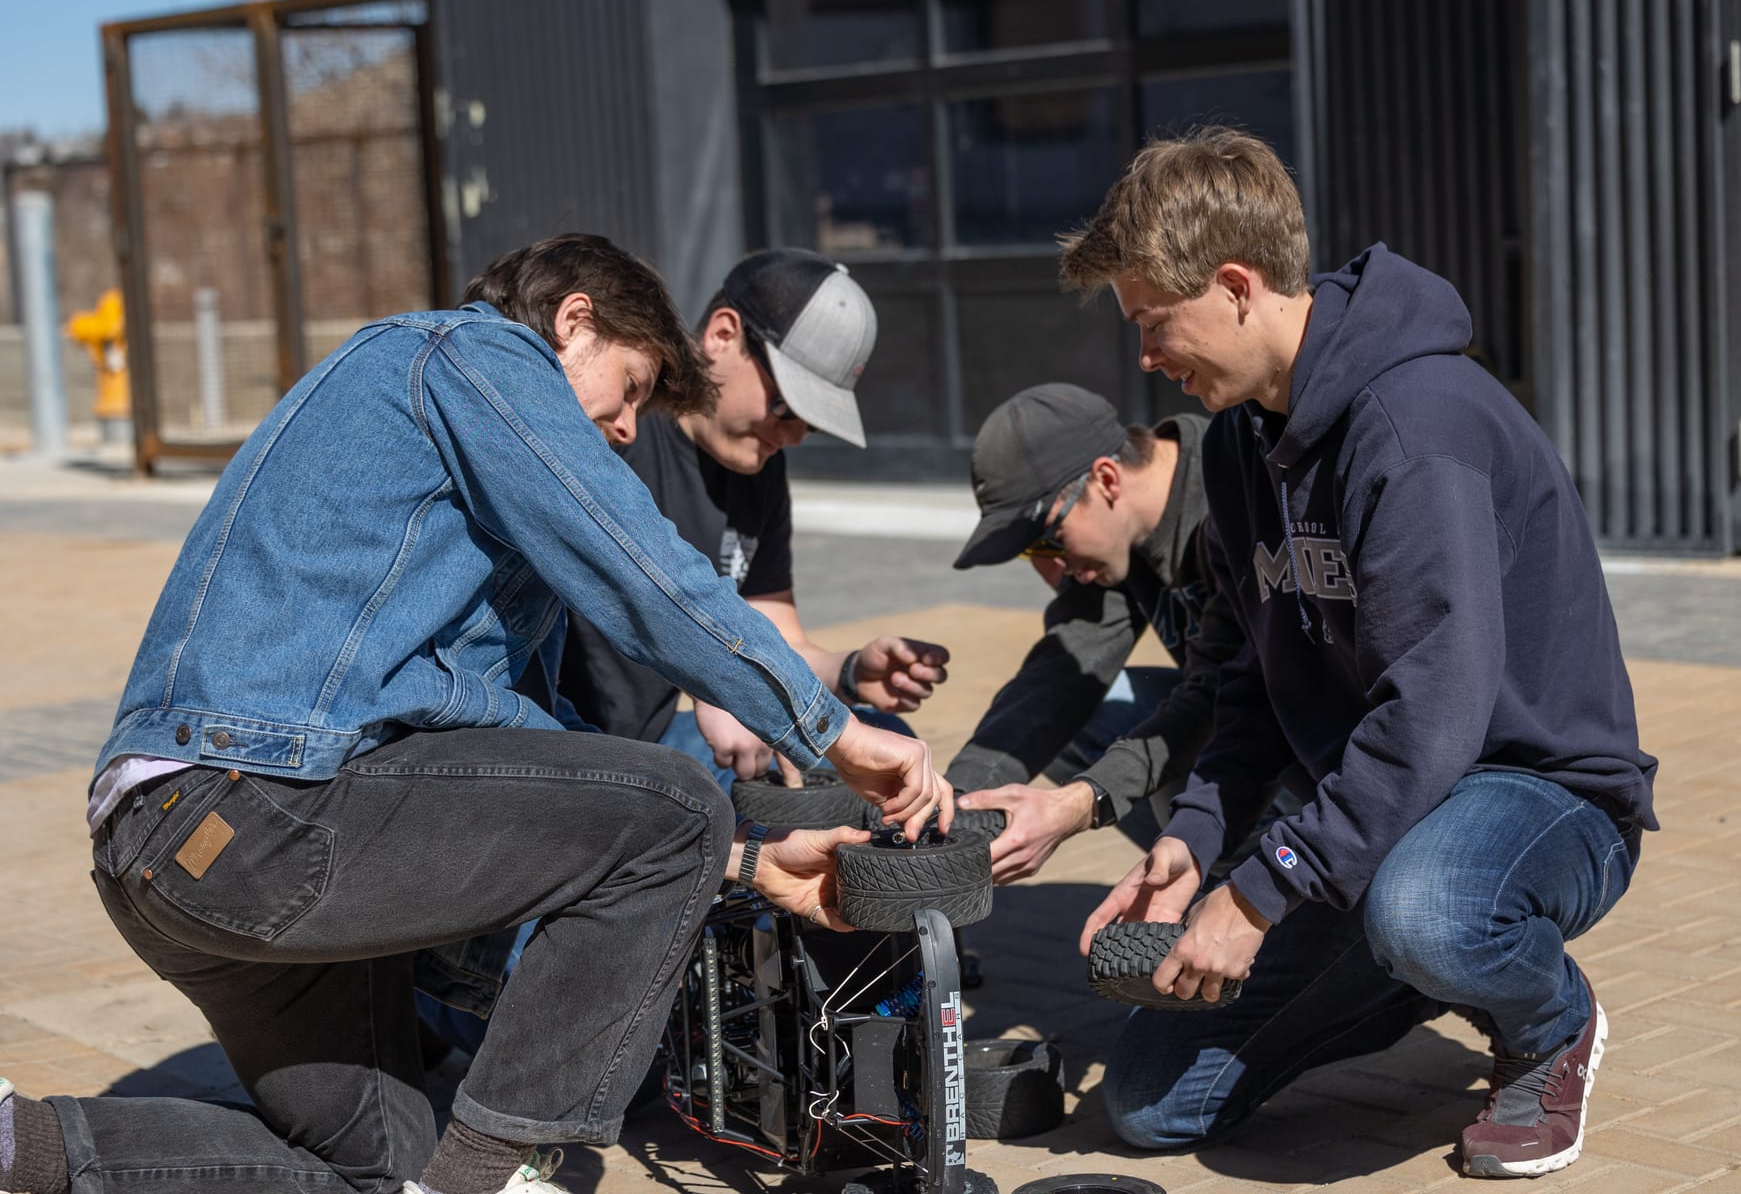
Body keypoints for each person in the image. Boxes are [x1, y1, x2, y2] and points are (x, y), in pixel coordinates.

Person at [0, 234, 953, 1194]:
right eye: (629, 389)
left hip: (187, 851)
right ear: (573, 322)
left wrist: (739, 862)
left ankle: (18, 1146)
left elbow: (515, 765)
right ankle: (492, 1177)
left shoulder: (455, 523)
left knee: (378, 1167)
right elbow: (644, 573)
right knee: (676, 803)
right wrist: (831, 728)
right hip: (253, 805)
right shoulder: (469, 355)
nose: (629, 429)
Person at [1069, 129, 1657, 1178]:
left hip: (1539, 793)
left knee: (1429, 907)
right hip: (1387, 809)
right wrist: (1197, 843)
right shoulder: (1241, 444)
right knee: (1154, 1106)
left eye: (1155, 327)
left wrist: (1258, 894)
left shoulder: (1413, 425)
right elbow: (1246, 680)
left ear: (1238, 286)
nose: (1148, 361)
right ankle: (1411, 959)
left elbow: (1435, 712)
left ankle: (1547, 1022)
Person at [558, 248, 951, 787]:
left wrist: (851, 672)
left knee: (886, 741)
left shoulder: (759, 470)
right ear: (723, 335)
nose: (791, 436)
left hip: (660, 739)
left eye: (812, 425)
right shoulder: (620, 425)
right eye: (787, 406)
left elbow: (780, 642)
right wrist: (718, 680)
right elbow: (608, 583)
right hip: (566, 743)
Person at [945, 382, 1265, 884]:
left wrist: (1082, 801)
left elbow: (1218, 700)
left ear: (1107, 479)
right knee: (1094, 703)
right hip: (1231, 724)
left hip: (1321, 761)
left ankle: (1269, 896)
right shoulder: (1118, 535)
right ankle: (1210, 876)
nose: (1051, 571)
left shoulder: (1236, 494)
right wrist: (958, 804)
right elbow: (1055, 680)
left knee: (1184, 736)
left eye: (1047, 540)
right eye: (1030, 553)